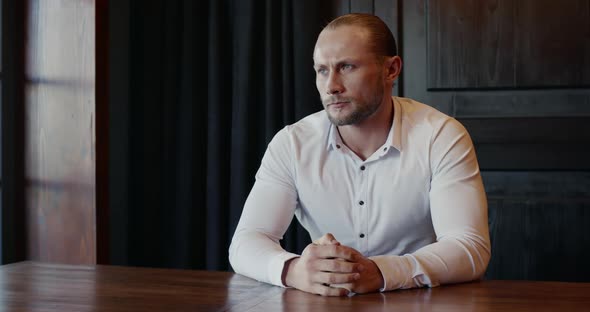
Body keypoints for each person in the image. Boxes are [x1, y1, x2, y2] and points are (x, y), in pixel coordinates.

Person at [228, 13, 490, 297]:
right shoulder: (292, 144)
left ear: (391, 69)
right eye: (322, 70)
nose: (331, 86)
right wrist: (294, 270)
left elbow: (469, 247)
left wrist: (381, 272)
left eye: (347, 67)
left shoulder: (441, 136)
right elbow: (246, 242)